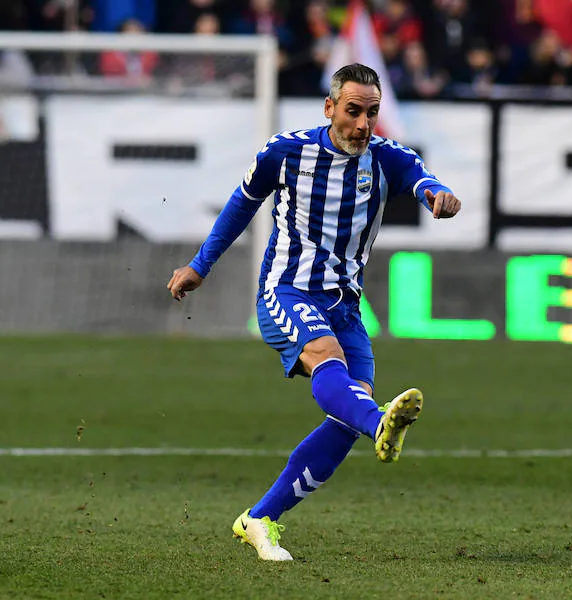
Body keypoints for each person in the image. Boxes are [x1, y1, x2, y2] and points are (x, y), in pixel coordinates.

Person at [167, 63, 461, 560]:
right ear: (330, 108)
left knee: (344, 413)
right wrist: (201, 264)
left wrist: (438, 197)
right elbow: (241, 205)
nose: (363, 125)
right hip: (288, 291)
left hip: (346, 305)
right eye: (353, 111)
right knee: (329, 363)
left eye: (372, 113)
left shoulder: (387, 157)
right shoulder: (285, 152)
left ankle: (259, 519)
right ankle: (381, 422)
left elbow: (423, 180)